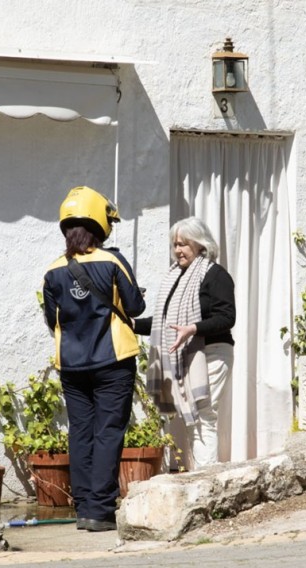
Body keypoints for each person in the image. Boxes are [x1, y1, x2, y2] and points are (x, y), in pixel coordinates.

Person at [42, 185, 145, 532]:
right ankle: (101, 511)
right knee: (108, 431)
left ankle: (85, 507)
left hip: (72, 364)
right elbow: (135, 306)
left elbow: (51, 318)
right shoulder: (113, 261)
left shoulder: (53, 270)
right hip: (112, 361)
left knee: (81, 432)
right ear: (101, 224)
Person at [134, 216, 235, 470]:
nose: (178, 250)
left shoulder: (215, 275)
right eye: (175, 244)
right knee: (193, 415)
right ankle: (200, 473)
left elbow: (227, 317)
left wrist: (193, 328)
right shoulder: (176, 278)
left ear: (200, 245)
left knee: (204, 413)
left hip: (211, 352)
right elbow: (163, 321)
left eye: (183, 244)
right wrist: (132, 324)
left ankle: (206, 478)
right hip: (188, 354)